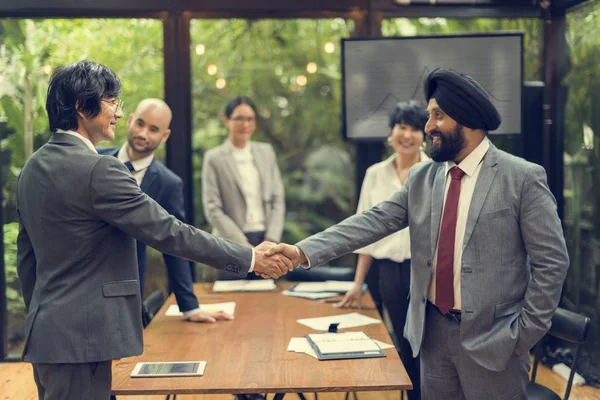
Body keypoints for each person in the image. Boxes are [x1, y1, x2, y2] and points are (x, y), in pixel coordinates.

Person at [266, 68, 569, 400]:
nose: (427, 128)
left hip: (496, 342)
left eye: (437, 116)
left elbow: (551, 263)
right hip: (432, 337)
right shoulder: (423, 177)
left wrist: (522, 336)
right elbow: (369, 222)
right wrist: (300, 252)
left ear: (465, 119)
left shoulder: (522, 178)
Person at [16, 60, 292, 400]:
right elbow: (170, 232)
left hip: (46, 334)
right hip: (82, 339)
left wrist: (42, 317)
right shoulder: (100, 169)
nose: (118, 112)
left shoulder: (32, 167)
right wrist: (251, 258)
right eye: (112, 101)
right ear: (81, 106)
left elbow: (26, 260)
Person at [98, 98, 228, 323]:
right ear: (129, 121)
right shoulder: (95, 159)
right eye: (140, 124)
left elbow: (175, 245)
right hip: (83, 280)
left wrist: (190, 308)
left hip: (127, 288)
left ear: (165, 136)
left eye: (154, 129)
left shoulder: (168, 184)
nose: (144, 134)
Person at [335, 100, 428, 400]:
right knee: (401, 338)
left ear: (424, 135)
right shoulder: (375, 174)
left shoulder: (435, 172)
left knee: (425, 343)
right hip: (388, 271)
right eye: (403, 127)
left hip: (425, 271)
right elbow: (365, 233)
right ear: (391, 132)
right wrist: (358, 283)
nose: (408, 135)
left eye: (416, 129)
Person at [202, 96, 285, 280]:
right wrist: (243, 247)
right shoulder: (214, 158)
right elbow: (212, 209)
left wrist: (271, 241)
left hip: (267, 241)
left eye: (250, 119)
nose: (245, 124)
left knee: (267, 300)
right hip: (231, 243)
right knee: (233, 300)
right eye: (239, 118)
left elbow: (278, 199)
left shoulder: (266, 152)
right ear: (226, 121)